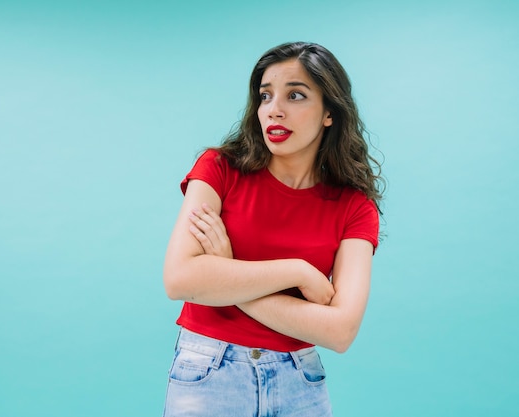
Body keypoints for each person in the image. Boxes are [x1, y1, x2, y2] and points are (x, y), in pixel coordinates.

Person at [162, 41, 383, 417]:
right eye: (265, 96)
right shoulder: (219, 168)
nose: (274, 110)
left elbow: (340, 331)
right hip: (208, 373)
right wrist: (295, 271)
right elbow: (180, 279)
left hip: (300, 382)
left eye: (295, 95)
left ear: (330, 112)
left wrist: (225, 274)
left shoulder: (355, 207)